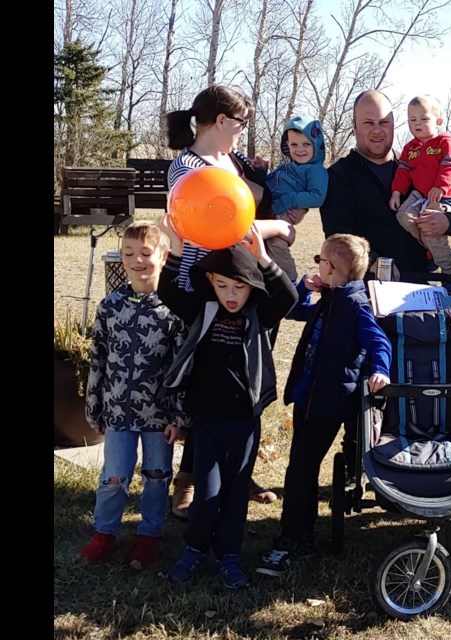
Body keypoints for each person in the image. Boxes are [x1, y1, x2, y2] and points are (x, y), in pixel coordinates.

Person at [165, 85, 294, 516]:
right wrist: (276, 229)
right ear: (221, 122)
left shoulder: (229, 162)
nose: (242, 133)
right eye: (240, 124)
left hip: (243, 283)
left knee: (244, 378)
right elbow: (228, 225)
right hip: (208, 286)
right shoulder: (188, 168)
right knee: (208, 381)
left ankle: (240, 467)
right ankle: (188, 479)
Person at [157, 217, 298, 588]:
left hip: (244, 423)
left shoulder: (258, 314)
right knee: (207, 493)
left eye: (239, 287)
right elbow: (170, 293)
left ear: (252, 287)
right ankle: (193, 551)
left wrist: (264, 259)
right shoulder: (203, 309)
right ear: (210, 283)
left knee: (236, 495)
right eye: (221, 285)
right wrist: (176, 245)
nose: (231, 295)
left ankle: (230, 557)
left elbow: (289, 298)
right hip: (205, 422)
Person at [257, 233, 391, 578]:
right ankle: (299, 532)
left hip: (330, 400)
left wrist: (380, 370)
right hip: (309, 395)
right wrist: (303, 286)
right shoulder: (330, 296)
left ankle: (293, 539)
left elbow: (379, 341)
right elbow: (295, 310)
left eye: (319, 260)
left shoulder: (355, 305)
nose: (316, 264)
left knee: (301, 469)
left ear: (331, 268)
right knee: (302, 465)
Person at [78, 222, 188, 569]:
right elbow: (97, 359)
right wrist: (94, 406)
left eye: (145, 253)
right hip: (117, 411)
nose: (137, 261)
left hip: (159, 415)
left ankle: (149, 536)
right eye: (128, 254)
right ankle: (104, 534)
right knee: (113, 476)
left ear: (163, 256)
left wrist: (178, 415)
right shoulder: (110, 307)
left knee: (157, 474)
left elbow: (182, 367)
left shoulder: (173, 310)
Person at [320, 89, 451, 277]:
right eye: (368, 123)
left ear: (393, 125)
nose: (377, 130)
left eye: (384, 122)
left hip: (422, 282)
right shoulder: (338, 175)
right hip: (368, 289)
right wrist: (374, 263)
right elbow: (338, 237)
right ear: (354, 126)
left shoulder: (416, 162)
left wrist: (449, 221)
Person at [389, 95, 451, 281]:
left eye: (424, 119)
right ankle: (430, 249)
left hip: (444, 196)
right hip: (420, 194)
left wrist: (440, 186)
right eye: (412, 120)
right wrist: (396, 192)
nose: (417, 124)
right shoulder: (410, 148)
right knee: (404, 216)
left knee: (430, 226)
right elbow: (403, 171)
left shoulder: (445, 142)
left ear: (438, 121)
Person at [265, 115, 328, 233]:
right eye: (294, 145)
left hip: (282, 212)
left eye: (306, 144)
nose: (300, 150)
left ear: (316, 144)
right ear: (287, 145)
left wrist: (287, 201)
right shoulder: (288, 167)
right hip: (265, 204)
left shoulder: (316, 170)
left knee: (276, 245)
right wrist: (261, 171)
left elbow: (317, 197)